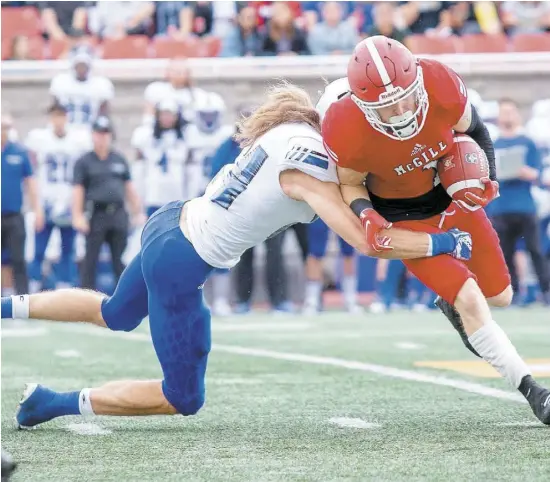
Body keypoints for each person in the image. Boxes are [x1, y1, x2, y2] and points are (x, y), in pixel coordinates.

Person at [2, 83, 472, 429]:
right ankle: (49, 404)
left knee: (114, 313)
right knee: (183, 398)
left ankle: (6, 308)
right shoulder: (309, 169)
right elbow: (369, 242)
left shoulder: (291, 128)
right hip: (181, 261)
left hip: (171, 221)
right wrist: (445, 242)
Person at [321, 36, 550, 424]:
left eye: (405, 98)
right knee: (474, 300)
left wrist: (487, 177)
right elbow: (350, 183)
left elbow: (476, 130)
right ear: (361, 105)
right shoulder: (344, 124)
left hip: (452, 199)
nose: (399, 111)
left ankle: (451, 305)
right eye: (385, 106)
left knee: (502, 297)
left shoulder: (439, 82)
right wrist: (365, 213)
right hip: (405, 221)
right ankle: (534, 391)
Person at [25, 102, 92, 292]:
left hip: (69, 202)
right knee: (38, 251)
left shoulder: (78, 139)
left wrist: (78, 208)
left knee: (67, 251)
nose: (58, 120)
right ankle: (32, 293)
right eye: (55, 115)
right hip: (45, 202)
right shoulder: (39, 138)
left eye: (61, 115)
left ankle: (65, 292)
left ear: (67, 117)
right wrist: (35, 206)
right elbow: (32, 173)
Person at [72, 116, 144, 289]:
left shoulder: (119, 159)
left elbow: (129, 187)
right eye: (98, 133)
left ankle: (123, 301)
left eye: (105, 133)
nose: (102, 137)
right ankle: (86, 301)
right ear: (93, 135)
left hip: (118, 214)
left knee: (120, 261)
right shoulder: (84, 162)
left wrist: (138, 211)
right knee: (90, 261)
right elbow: (78, 190)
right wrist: (77, 215)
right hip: (96, 214)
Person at [490, 98, 550, 304]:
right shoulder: (493, 144)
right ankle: (513, 293)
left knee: (535, 250)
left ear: (517, 115)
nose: (507, 116)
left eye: (510, 112)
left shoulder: (527, 142)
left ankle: (546, 291)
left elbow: (539, 174)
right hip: (501, 206)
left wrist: (526, 173)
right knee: (505, 253)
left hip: (524, 205)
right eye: (503, 112)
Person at [1, 112, 43, 296]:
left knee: (18, 259)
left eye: (6, 127)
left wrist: (37, 209)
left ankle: (22, 301)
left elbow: (31, 183)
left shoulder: (19, 152)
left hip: (14, 214)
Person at [131, 98, 188, 218]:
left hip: (176, 195)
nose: (166, 118)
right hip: (154, 195)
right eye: (163, 114)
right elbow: (140, 168)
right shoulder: (147, 137)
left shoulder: (185, 139)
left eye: (170, 114)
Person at [49, 45, 114, 130]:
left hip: (90, 133)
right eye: (79, 65)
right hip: (66, 134)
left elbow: (104, 114)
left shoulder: (101, 84)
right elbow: (56, 112)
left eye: (84, 65)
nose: (81, 68)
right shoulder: (60, 82)